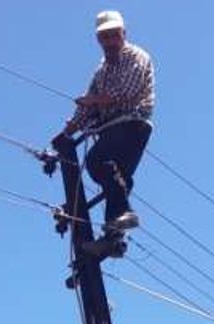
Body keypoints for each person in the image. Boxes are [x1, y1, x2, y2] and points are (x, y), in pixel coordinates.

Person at [56, 10, 155, 234]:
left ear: (123, 33)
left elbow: (128, 92)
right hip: (110, 128)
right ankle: (115, 230)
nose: (110, 41)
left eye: (114, 35)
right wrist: (68, 130)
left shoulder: (136, 56)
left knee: (96, 160)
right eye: (105, 37)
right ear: (98, 39)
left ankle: (123, 214)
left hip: (132, 123)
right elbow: (86, 108)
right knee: (115, 175)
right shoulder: (101, 72)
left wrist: (93, 100)